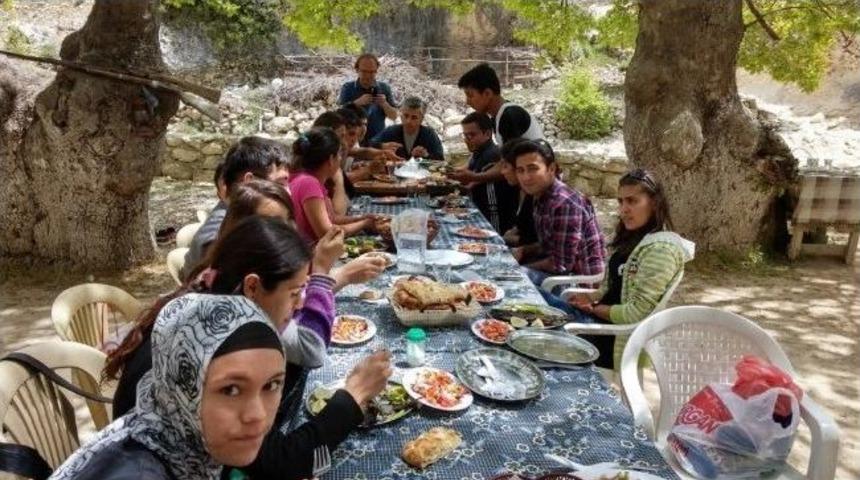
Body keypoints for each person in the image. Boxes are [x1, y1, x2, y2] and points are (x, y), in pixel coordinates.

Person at [104, 217, 392, 480]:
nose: (302, 303)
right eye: (295, 293)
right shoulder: (211, 349)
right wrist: (356, 393)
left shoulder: (212, 309)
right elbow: (281, 462)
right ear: (252, 287)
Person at [51, 294, 287, 479]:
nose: (258, 415)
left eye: (272, 385)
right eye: (231, 390)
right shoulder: (139, 472)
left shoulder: (170, 434)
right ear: (182, 387)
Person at [542, 170, 695, 368]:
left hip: (612, 338)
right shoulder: (637, 238)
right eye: (621, 202)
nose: (624, 209)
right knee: (536, 299)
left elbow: (635, 314)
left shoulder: (660, 251)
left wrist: (595, 309)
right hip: (597, 321)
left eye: (632, 201)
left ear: (655, 203)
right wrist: (590, 298)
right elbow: (615, 288)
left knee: (539, 311)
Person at [184, 136, 290, 276]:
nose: (288, 192)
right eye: (281, 183)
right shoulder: (220, 241)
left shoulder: (249, 225)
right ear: (250, 183)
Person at [508, 140, 606, 286]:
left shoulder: (564, 203)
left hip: (576, 287)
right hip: (557, 274)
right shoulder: (540, 196)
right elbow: (549, 244)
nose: (525, 177)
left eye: (532, 169)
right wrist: (523, 250)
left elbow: (561, 265)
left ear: (551, 168)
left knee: (506, 280)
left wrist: (518, 269)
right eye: (520, 170)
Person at [288, 128, 375, 242]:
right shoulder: (309, 183)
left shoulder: (310, 180)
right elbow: (327, 233)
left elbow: (332, 219)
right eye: (339, 154)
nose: (340, 159)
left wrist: (360, 218)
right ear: (330, 159)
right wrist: (364, 224)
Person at [449, 112, 518, 233]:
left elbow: (470, 184)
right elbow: (466, 172)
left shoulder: (491, 154)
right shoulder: (479, 151)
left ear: (487, 134)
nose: (467, 140)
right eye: (465, 136)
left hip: (493, 216)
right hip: (481, 210)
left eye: (472, 135)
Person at [457, 62, 542, 146]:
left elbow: (511, 158)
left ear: (487, 94)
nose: (467, 102)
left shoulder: (509, 115)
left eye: (470, 95)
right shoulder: (497, 117)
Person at [338, 53, 397, 143]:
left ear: (376, 71)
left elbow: (394, 116)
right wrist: (356, 103)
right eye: (364, 71)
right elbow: (339, 115)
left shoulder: (384, 88)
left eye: (372, 72)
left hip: (377, 140)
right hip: (353, 141)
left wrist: (385, 104)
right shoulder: (348, 88)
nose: (368, 76)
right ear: (357, 70)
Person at [369, 96, 444, 160]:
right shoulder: (391, 131)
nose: (408, 121)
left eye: (414, 117)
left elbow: (440, 158)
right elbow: (368, 145)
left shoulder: (429, 134)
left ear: (421, 119)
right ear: (401, 115)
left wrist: (426, 155)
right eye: (406, 116)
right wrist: (381, 146)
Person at [498, 138, 538, 247]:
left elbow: (540, 242)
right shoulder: (515, 190)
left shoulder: (539, 196)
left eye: (505, 166)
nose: (502, 171)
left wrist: (506, 239)